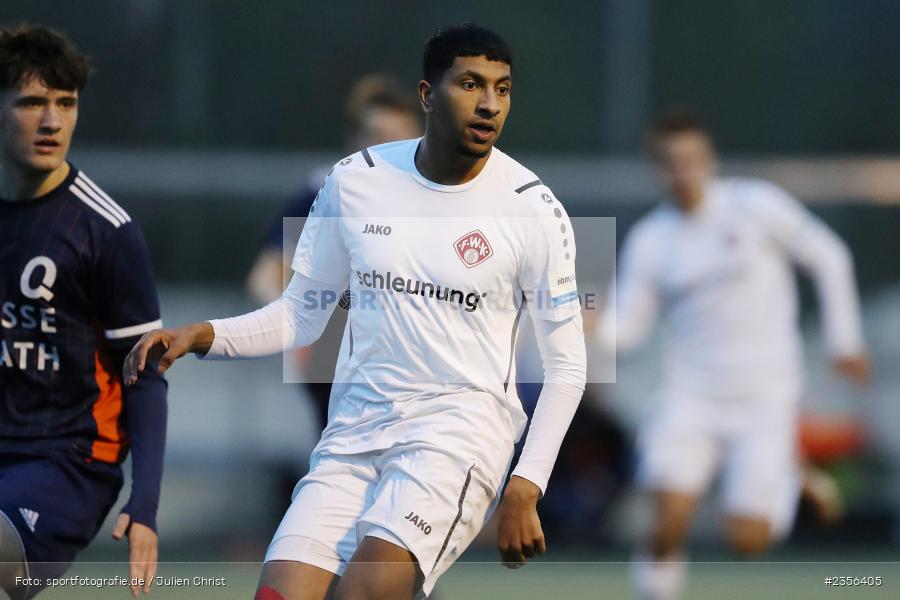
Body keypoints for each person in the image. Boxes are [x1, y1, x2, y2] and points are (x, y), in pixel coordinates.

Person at [125, 22, 585, 600]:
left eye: (503, 88)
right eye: (471, 84)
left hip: (457, 440)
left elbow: (568, 366)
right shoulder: (354, 181)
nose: (490, 103)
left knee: (363, 592)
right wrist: (201, 336)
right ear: (427, 95)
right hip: (352, 436)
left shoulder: (533, 208)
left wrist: (526, 483)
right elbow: (301, 313)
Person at [597, 110, 870, 600]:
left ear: (710, 160)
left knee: (747, 541)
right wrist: (590, 324)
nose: (683, 172)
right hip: (690, 396)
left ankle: (789, 478)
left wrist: (844, 342)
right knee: (667, 516)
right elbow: (626, 329)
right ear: (658, 169)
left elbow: (829, 256)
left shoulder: (755, 205)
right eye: (671, 162)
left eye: (692, 159)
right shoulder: (651, 240)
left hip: (764, 397)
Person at [0, 25, 167, 600]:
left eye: (66, 103)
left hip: (68, 460)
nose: (52, 121)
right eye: (31, 102)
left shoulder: (106, 230)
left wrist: (145, 504)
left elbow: (146, 374)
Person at [246, 73, 422, 431]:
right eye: (379, 139)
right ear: (354, 141)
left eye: (402, 141)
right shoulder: (325, 194)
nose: (391, 152)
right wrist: (298, 327)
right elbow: (266, 277)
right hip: (342, 366)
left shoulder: (439, 201)